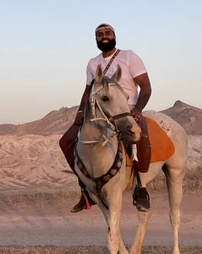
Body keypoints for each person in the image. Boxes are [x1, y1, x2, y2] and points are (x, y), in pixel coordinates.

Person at [59, 23, 153, 213]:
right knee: (66, 142)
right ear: (96, 39)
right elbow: (87, 92)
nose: (104, 36)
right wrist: (79, 115)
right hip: (100, 112)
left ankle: (141, 188)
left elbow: (146, 87)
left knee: (140, 136)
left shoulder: (129, 57)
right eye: (100, 34)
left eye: (107, 33)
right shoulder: (93, 63)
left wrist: (138, 109)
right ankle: (85, 189)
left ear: (114, 36)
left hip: (126, 109)